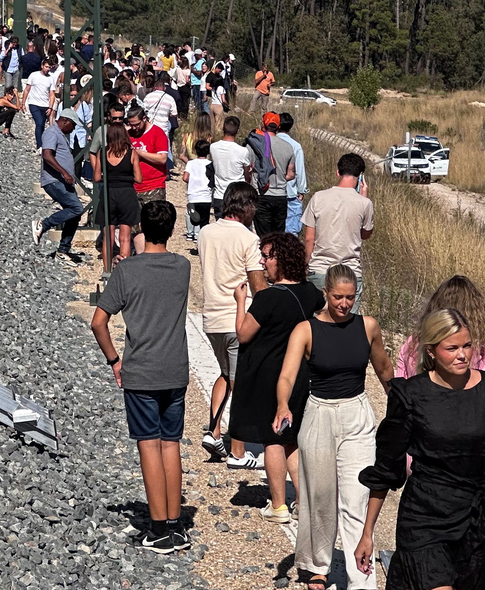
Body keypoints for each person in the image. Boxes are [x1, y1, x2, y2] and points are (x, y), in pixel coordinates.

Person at [357, 307, 485, 590]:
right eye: (452, 348)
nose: (462, 355)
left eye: (467, 346)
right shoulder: (410, 395)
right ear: (432, 351)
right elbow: (387, 468)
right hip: (424, 518)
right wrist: (367, 532)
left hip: (474, 522)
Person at [274, 265, 393, 590]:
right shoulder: (306, 329)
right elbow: (287, 375)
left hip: (356, 414)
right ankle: (317, 563)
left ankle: (359, 581)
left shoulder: (367, 326)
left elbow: (384, 369)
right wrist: (283, 404)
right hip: (319, 414)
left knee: (357, 496)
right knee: (320, 495)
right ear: (325, 293)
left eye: (350, 298)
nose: (344, 304)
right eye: (338, 297)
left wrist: (402, 407)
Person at [90, 200, 193, 553]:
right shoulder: (182, 267)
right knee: (171, 443)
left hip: (141, 370)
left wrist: (114, 361)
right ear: (172, 230)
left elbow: (98, 322)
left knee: (148, 443)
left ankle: (158, 528)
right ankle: (176, 526)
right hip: (175, 368)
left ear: (141, 230)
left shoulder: (127, 271)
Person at [229, 231, 324, 524]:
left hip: (268, 373)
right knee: (290, 438)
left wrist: (240, 301)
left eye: (267, 257)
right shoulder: (311, 294)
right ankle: (303, 502)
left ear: (280, 260)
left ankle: (279, 504)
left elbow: (243, 334)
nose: (263, 262)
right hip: (299, 374)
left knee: (272, 438)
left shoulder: (267, 298)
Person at [198, 182, 268, 468]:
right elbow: (258, 285)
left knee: (226, 375)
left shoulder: (205, 232)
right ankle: (238, 451)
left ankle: (214, 433)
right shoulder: (249, 239)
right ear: (247, 206)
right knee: (243, 384)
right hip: (238, 319)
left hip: (211, 318)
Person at [394, 276, 485, 379]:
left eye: (466, 346)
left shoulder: (412, 342)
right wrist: (475, 359)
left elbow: (400, 380)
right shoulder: (476, 338)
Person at [302, 153, 374, 292]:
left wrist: (306, 266)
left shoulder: (318, 197)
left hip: (320, 269)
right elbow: (365, 234)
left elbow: (309, 239)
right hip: (350, 272)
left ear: (338, 172)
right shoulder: (365, 203)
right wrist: (363, 197)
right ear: (360, 176)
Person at [33, 108, 85, 263]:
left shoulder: (60, 134)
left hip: (62, 181)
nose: (73, 129)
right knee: (76, 208)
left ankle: (63, 250)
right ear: (65, 121)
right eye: (73, 125)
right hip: (54, 180)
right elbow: (47, 154)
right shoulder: (52, 133)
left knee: (75, 215)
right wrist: (64, 173)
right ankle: (43, 225)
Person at [94, 123, 141, 269]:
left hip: (109, 193)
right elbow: (139, 178)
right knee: (125, 237)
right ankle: (123, 270)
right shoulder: (132, 153)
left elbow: (96, 177)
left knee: (108, 237)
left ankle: (107, 270)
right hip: (127, 193)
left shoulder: (102, 152)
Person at [247, 112, 297, 237]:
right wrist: (280, 178)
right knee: (278, 237)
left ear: (263, 124)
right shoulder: (288, 147)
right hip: (281, 196)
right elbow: (291, 174)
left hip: (261, 194)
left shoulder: (254, 144)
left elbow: (247, 169)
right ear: (278, 127)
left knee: (264, 237)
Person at [126, 105, 171, 219]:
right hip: (133, 187)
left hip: (154, 186)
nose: (134, 128)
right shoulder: (128, 134)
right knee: (134, 224)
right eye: (131, 125)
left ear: (144, 119)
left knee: (154, 222)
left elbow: (162, 158)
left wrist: (139, 153)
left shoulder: (157, 133)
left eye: (137, 124)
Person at [209, 116, 252, 217]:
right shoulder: (243, 151)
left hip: (219, 194)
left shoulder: (213, 147)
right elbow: (247, 175)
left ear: (223, 128)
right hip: (237, 196)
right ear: (237, 131)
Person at [276, 112, 307, 234]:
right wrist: (301, 190)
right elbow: (300, 170)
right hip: (291, 192)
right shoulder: (296, 146)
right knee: (291, 231)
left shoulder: (269, 143)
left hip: (273, 191)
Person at [182, 139, 213, 244]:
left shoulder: (191, 163)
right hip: (206, 196)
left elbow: (185, 177)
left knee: (193, 217)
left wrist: (192, 181)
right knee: (204, 221)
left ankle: (191, 234)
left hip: (193, 195)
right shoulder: (210, 164)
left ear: (195, 150)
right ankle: (200, 239)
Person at [23, 56, 58, 148]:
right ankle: (39, 146)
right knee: (39, 123)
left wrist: (50, 107)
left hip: (45, 104)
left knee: (42, 124)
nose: (47, 69)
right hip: (34, 103)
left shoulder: (51, 78)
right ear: (42, 66)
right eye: (46, 67)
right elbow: (27, 90)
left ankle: (42, 143)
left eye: (49, 67)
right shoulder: (33, 75)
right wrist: (23, 103)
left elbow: (52, 94)